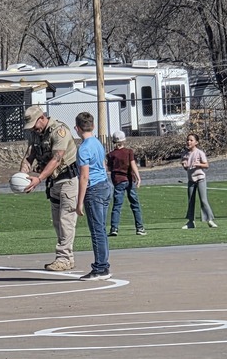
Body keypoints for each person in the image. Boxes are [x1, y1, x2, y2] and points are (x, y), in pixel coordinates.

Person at [20, 105, 79, 271]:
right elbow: (29, 155)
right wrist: (22, 176)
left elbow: (56, 159)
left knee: (66, 221)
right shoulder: (35, 134)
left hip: (68, 180)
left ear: (41, 118)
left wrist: (38, 179)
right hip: (53, 182)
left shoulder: (59, 131)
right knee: (57, 222)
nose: (33, 129)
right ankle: (67, 257)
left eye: (34, 125)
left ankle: (64, 258)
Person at [74, 112, 112, 280]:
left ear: (77, 128)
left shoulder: (84, 148)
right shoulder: (97, 143)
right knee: (101, 229)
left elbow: (84, 176)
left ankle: (100, 267)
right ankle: (103, 264)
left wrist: (79, 202)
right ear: (93, 126)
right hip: (105, 185)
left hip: (94, 189)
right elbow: (103, 165)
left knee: (97, 231)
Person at [106, 130, 146, 237]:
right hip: (129, 180)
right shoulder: (129, 152)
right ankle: (139, 228)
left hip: (118, 181)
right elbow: (133, 165)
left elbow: (109, 168)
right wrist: (138, 178)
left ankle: (114, 228)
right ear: (124, 140)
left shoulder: (110, 154)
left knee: (117, 205)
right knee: (135, 204)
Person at [181, 132, 217, 229]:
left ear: (196, 142)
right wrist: (184, 165)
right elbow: (186, 167)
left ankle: (209, 220)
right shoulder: (185, 154)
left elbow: (206, 165)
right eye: (188, 140)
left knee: (203, 200)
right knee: (190, 201)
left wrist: (199, 165)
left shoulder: (200, 153)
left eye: (191, 140)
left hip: (200, 179)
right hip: (191, 180)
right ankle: (191, 222)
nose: (189, 142)